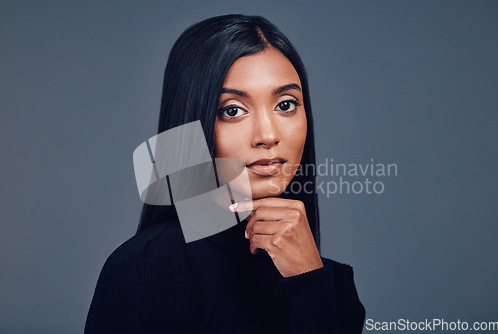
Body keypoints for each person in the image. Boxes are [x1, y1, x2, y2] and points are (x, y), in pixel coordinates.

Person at [85, 14, 365, 333]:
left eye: (286, 105)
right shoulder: (148, 268)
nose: (267, 135)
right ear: (193, 122)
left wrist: (308, 281)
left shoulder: (327, 282)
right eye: (232, 110)